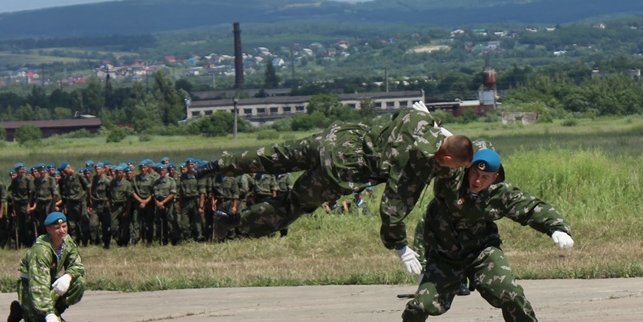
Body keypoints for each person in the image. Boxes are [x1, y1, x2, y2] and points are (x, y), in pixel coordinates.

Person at [197, 105, 473, 270]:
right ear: (446, 158)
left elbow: (414, 114)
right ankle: (232, 221)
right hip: (340, 169)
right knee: (293, 205)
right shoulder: (414, 165)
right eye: (455, 167)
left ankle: (217, 165)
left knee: (274, 156)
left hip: (335, 139)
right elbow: (392, 208)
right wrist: (400, 247)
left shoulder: (420, 120)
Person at [376, 147, 574, 322]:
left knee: (510, 292)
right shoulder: (450, 183)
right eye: (474, 174)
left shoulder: (500, 193)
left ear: (495, 177)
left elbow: (530, 207)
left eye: (485, 177)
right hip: (445, 256)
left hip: (482, 253)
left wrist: (556, 229)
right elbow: (441, 159)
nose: (477, 181)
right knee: (421, 305)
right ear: (468, 169)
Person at [7, 211, 86, 322]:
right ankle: (22, 311)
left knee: (78, 282)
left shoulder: (66, 241)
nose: (62, 231)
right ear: (48, 229)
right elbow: (38, 285)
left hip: (47, 282)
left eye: (64, 226)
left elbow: (77, 265)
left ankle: (56, 312)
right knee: (37, 321)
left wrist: (68, 276)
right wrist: (47, 312)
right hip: (31, 287)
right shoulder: (41, 251)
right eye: (57, 228)